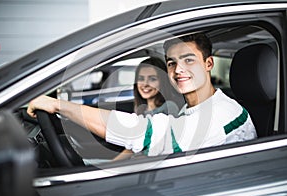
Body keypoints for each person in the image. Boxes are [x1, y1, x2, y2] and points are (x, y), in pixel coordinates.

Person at [27, 33, 257, 157]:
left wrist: (58, 106)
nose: (178, 70)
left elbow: (142, 132)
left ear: (208, 64)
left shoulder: (222, 114)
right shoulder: (195, 109)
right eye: (171, 63)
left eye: (189, 60)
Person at [113, 57, 180, 161]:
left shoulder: (169, 108)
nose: (145, 84)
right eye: (141, 79)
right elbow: (131, 147)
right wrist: (110, 165)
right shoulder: (141, 109)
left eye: (152, 79)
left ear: (162, 81)